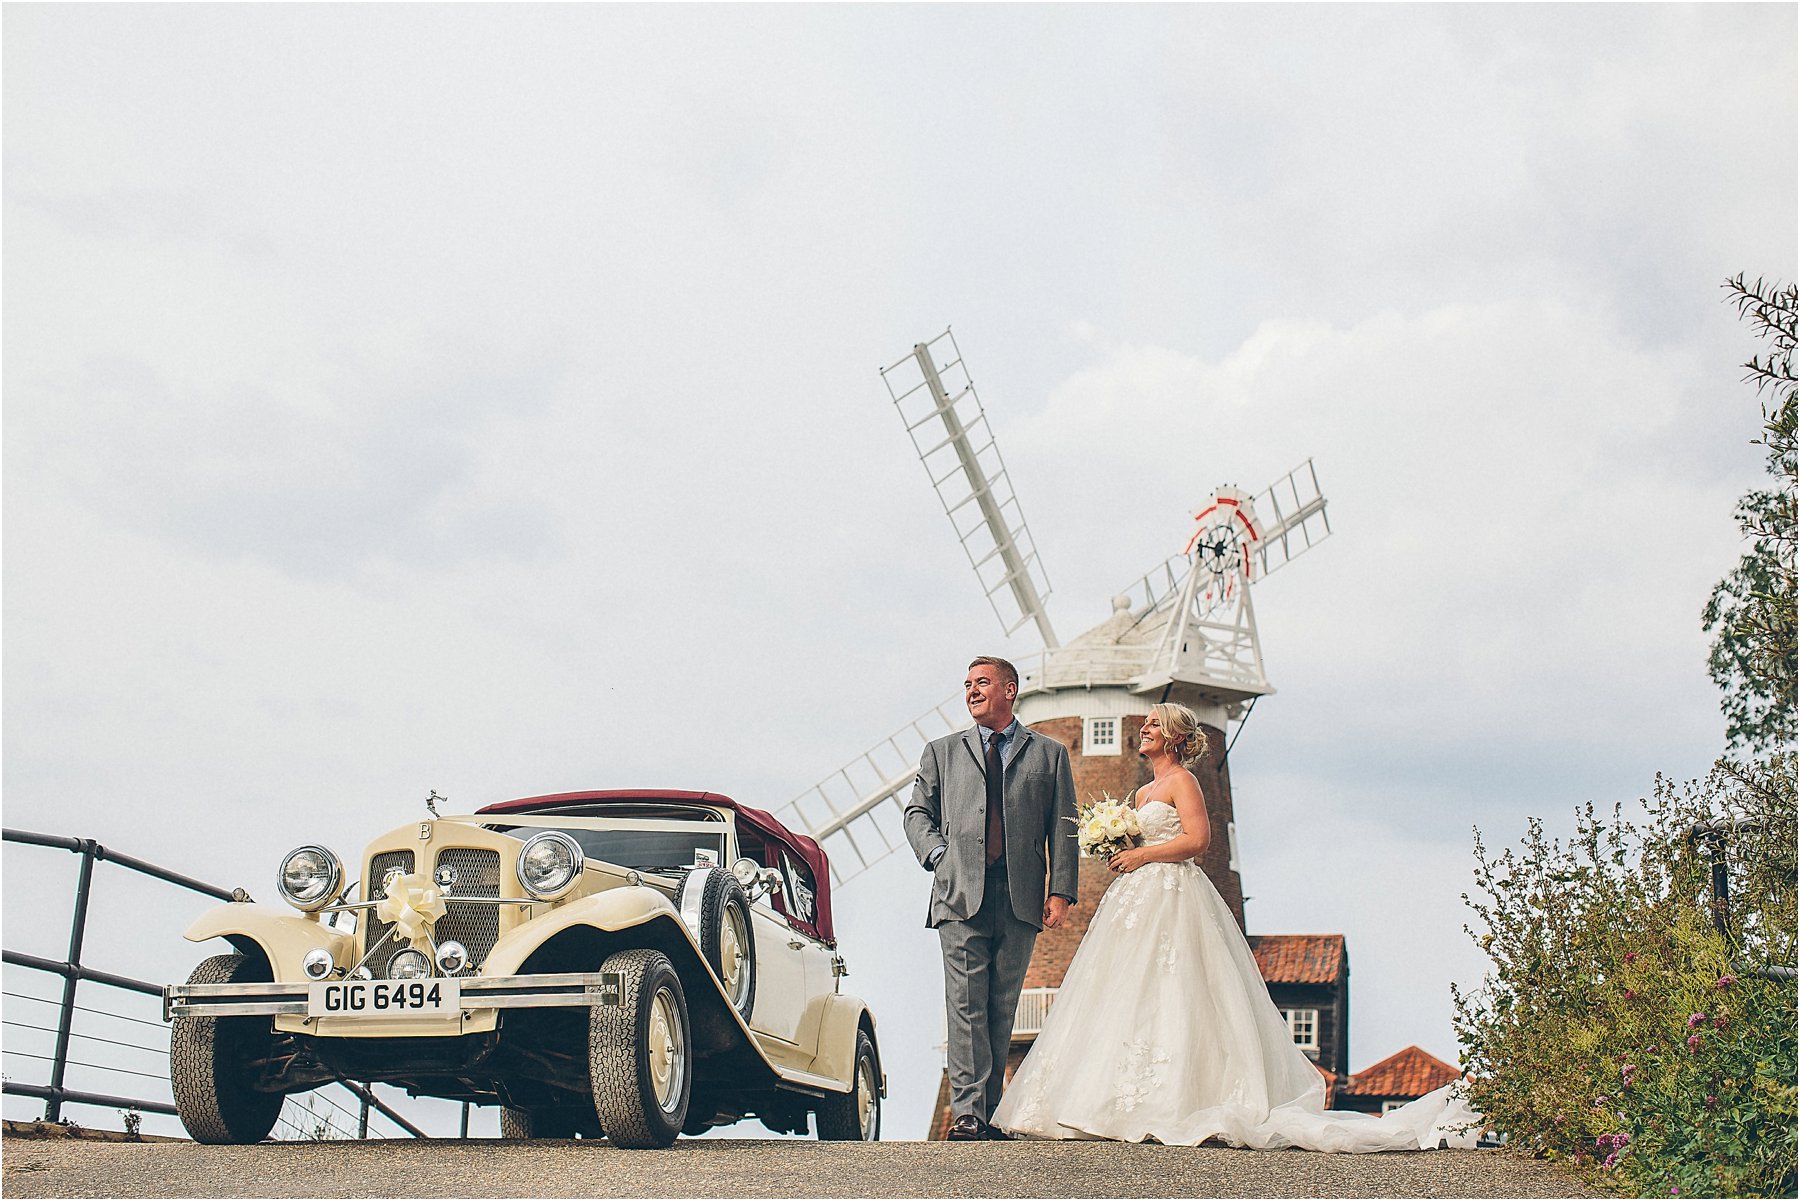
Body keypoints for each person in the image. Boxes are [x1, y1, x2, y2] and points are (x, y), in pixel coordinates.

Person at [991, 702, 1480, 1150]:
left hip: (1172, 894)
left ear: (1177, 738)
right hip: (1134, 898)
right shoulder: (1141, 791)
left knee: (1179, 987)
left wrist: (1140, 853)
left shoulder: (1184, 781)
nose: (1144, 728)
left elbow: (1198, 840)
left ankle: (1176, 1100)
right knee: (1123, 988)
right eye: (1146, 723)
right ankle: (1103, 1101)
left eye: (1155, 724)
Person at [904, 656, 1079, 1141]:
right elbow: (917, 813)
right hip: (959, 894)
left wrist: (1061, 890)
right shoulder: (941, 751)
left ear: (1010, 690)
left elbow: (1064, 827)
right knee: (965, 1004)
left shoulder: (1049, 754)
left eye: (982, 683)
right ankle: (966, 1113)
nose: (972, 692)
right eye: (967, 685)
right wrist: (940, 856)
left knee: (1002, 1006)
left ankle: (990, 1111)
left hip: (1021, 897)